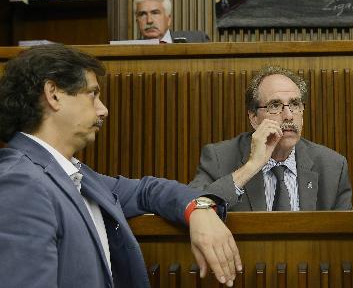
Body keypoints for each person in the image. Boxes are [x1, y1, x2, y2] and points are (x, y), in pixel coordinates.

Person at [0, 44, 241, 287]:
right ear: (53, 94)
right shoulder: (21, 184)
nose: (103, 110)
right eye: (92, 94)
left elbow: (147, 190)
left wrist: (199, 208)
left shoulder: (74, 175)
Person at [189, 66, 352, 211]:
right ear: (253, 117)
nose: (288, 116)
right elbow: (194, 207)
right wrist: (251, 166)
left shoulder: (333, 167)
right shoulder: (219, 158)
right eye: (275, 106)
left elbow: (343, 242)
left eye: (295, 104)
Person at [134, 0, 209, 43]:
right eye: (142, 14)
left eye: (155, 13)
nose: (149, 20)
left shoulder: (198, 40)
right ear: (137, 20)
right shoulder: (130, 49)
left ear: (168, 19)